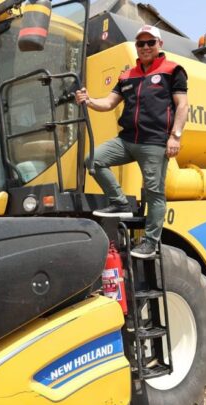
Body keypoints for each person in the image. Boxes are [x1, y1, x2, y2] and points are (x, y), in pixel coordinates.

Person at [76, 24, 188, 258]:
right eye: (140, 43)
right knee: (93, 160)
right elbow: (108, 104)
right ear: (136, 47)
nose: (145, 47)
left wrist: (175, 136)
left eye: (150, 43)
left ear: (160, 45)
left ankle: (149, 242)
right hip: (126, 140)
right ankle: (119, 202)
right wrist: (88, 100)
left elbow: (182, 105)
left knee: (154, 191)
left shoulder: (173, 70)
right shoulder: (127, 76)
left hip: (155, 142)